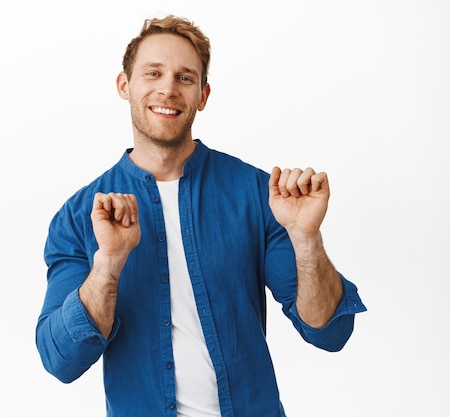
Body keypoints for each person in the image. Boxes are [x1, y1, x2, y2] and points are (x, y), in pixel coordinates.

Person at [36, 14, 366, 417]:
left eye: (185, 78)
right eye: (153, 73)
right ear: (125, 85)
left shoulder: (258, 194)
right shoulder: (79, 217)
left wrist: (306, 237)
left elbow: (329, 332)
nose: (168, 89)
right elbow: (60, 361)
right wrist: (108, 263)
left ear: (203, 95)